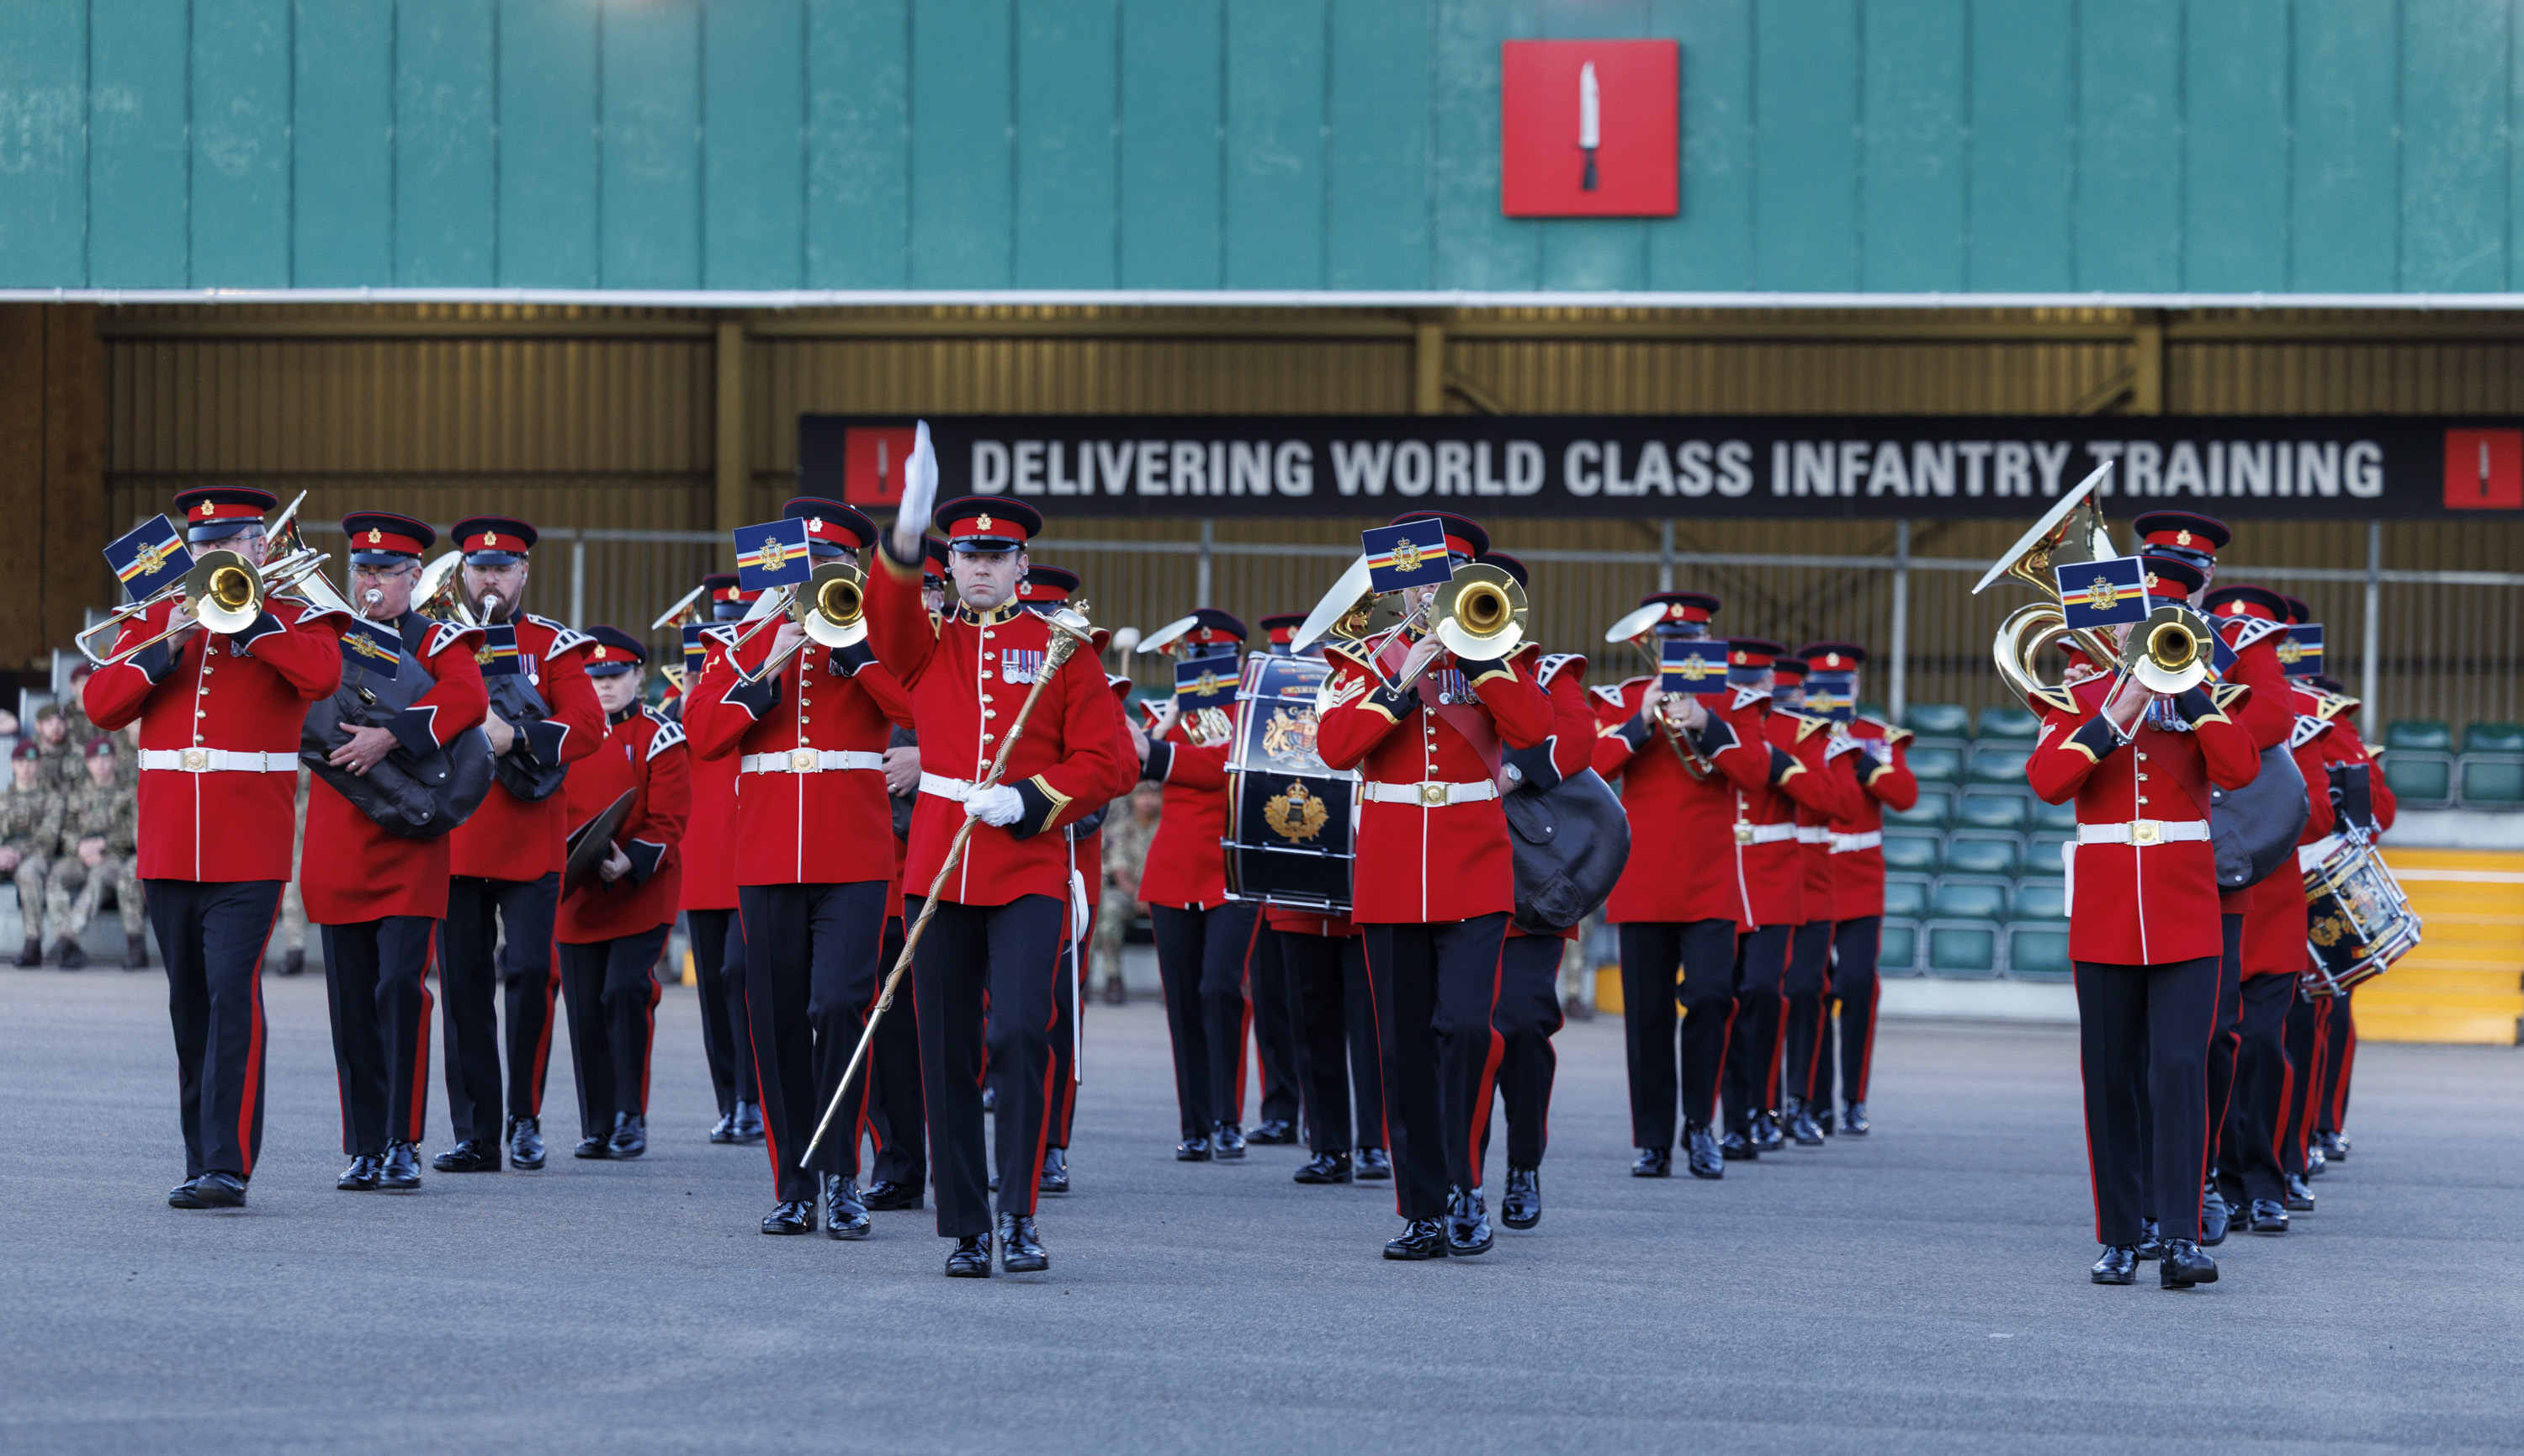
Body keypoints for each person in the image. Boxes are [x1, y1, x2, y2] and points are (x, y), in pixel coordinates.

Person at [868, 487, 1123, 1278]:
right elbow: (884, 618)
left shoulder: (1064, 648)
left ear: (1021, 565)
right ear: (952, 563)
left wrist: (1031, 798)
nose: (980, 567)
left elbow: (1112, 758)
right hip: (942, 867)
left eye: (995, 556)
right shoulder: (929, 640)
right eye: (967, 554)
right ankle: (967, 1224)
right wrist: (905, 532)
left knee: (1017, 1031)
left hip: (1027, 866)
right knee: (946, 1048)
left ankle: (1019, 1212)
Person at [82, 485, 347, 1210]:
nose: (214, 557)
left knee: (233, 994)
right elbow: (100, 706)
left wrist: (254, 622)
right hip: (168, 846)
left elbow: (323, 676)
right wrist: (162, 644)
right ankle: (201, 1157)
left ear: (260, 548)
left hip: (248, 850)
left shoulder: (296, 612)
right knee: (188, 1005)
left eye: (230, 544)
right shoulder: (159, 617)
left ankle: (228, 1163)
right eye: (202, 547)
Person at [1314, 510, 1552, 1261]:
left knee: (1466, 1028)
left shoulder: (1497, 651)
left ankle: (1464, 1185)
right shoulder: (1363, 659)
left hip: (1476, 866)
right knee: (1403, 1048)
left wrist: (1478, 659)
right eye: (1415, 578)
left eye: (1443, 577)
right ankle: (1421, 1207)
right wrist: (1400, 676)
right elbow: (1335, 748)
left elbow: (1536, 727)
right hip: (1390, 872)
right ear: (1396, 584)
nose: (1428, 591)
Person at [2025, 553, 2257, 1289]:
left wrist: (2192, 700)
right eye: (2128, 618)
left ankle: (2184, 1235)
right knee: (2109, 1076)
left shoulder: (2200, 686)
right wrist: (2112, 718)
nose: (2139, 629)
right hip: (2106, 910)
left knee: (2182, 1072)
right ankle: (2123, 1235)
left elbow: (2243, 767)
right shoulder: (2077, 696)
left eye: (2151, 619)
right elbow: (2048, 782)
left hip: (2186, 908)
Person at [689, 500, 915, 1240]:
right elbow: (704, 734)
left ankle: (843, 1174)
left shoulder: (873, 633)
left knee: (839, 1006)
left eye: (833, 563)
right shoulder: (750, 636)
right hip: (765, 854)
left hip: (851, 850)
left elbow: (915, 706)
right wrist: (766, 664)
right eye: (806, 563)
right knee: (778, 1018)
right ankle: (793, 1183)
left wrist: (860, 657)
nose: (818, 575)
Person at [302, 511, 490, 1195]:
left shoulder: (439, 637)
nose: (371, 581)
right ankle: (363, 1143)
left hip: (409, 842)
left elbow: (468, 698)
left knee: (398, 991)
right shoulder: (332, 634)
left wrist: (391, 738)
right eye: (363, 569)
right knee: (351, 1000)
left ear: (415, 576)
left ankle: (403, 1141)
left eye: (386, 571)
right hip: (340, 839)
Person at [433, 516, 607, 1176]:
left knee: (532, 971)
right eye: (479, 568)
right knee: (464, 990)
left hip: (531, 835)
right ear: (462, 573)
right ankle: (477, 1132)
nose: (491, 579)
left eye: (503, 568)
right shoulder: (440, 639)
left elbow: (588, 726)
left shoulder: (552, 645)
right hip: (461, 836)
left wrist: (520, 738)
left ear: (525, 573)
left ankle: (524, 1116)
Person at [2144, 513, 2295, 1247]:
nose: (2174, 576)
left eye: (2185, 568)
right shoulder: (2107, 633)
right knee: (2126, 1040)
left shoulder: (2238, 642)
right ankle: (2135, 1184)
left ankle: (2199, 1176)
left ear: (2203, 577)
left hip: (2211, 862)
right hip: (2134, 856)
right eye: (2159, 564)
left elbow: (2273, 713)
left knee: (2210, 1036)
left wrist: (2196, 703)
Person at [1590, 591, 1767, 1181]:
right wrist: (1638, 722)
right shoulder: (1620, 700)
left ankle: (1700, 1124)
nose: (1678, 652)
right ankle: (1653, 1139)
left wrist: (1708, 724)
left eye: (1689, 641)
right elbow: (1590, 767)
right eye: (1669, 643)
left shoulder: (1737, 702)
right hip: (1643, 876)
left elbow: (1758, 774)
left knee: (1713, 997)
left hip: (1711, 878)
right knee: (1645, 1015)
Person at [2209, 585, 2336, 1236]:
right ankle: (2218, 1179)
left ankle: (2268, 1178)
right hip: (2208, 901)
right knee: (2213, 1046)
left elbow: (2315, 813)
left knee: (2262, 1044)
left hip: (2272, 903)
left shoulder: (2292, 725)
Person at [1476, 550, 1596, 1231]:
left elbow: (1577, 741)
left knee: (1521, 1025)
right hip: (1449, 874)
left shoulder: (1549, 671)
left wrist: (1513, 772)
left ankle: (1523, 1162)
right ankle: (1462, 1176)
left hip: (1526, 887)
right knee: (1459, 1032)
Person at [1133, 608, 1270, 1162]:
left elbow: (1226, 765)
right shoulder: (1164, 717)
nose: (1202, 665)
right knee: (1182, 1000)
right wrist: (1158, 730)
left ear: (1232, 660)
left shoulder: (1251, 713)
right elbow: (1123, 764)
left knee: (1219, 988)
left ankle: (1228, 1116)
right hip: (1173, 867)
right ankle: (1194, 1121)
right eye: (1193, 655)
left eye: (1212, 655)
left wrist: (1160, 754)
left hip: (1232, 867)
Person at [554, 627, 690, 1162]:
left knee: (623, 992)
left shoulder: (660, 734)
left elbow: (670, 816)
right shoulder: (564, 729)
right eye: (594, 677)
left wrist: (628, 859)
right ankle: (598, 1124)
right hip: (577, 890)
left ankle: (631, 1115)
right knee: (585, 1006)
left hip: (639, 889)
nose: (604, 686)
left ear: (638, 675)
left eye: (615, 676)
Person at [1796, 643, 1915, 1135]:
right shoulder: (1800, 736)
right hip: (1813, 875)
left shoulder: (1876, 738)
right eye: (1822, 688)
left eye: (1841, 686)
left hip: (1861, 879)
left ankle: (1854, 1098)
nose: (1832, 695)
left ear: (1856, 688)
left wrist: (1862, 765)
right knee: (1811, 990)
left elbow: (1904, 796)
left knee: (1860, 986)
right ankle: (1815, 1099)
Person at [678, 573, 762, 1146]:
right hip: (705, 852)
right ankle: (731, 1098)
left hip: (751, 846)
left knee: (743, 975)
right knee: (713, 985)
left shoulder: (762, 670)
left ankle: (755, 1097)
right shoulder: (703, 679)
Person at [47, 736, 147, 969]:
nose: (101, 764)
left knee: (99, 875)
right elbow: (65, 831)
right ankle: (65, 940)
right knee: (57, 876)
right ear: (87, 763)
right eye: (95, 759)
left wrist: (103, 844)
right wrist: (81, 849)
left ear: (114, 760)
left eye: (106, 758)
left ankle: (69, 941)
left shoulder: (129, 793)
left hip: (116, 858)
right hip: (81, 857)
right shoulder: (77, 794)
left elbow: (137, 833)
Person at [1095, 782, 1161, 1003]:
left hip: (1161, 895)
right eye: (1142, 794)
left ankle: (1169, 983)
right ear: (1133, 799)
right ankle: (1113, 977)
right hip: (1131, 893)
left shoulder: (1167, 827)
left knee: (1178, 915)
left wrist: (1153, 895)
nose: (1147, 800)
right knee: (1110, 908)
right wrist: (1139, 894)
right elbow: (1120, 872)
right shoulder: (1120, 829)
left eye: (1153, 795)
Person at [3, 740, 65, 967]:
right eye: (20, 762)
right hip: (5, 859)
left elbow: (47, 839)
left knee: (28, 873)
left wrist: (14, 853)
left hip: (38, 859)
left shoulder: (52, 799)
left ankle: (33, 943)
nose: (26, 767)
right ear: (12, 765)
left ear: (39, 765)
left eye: (30, 762)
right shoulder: (3, 799)